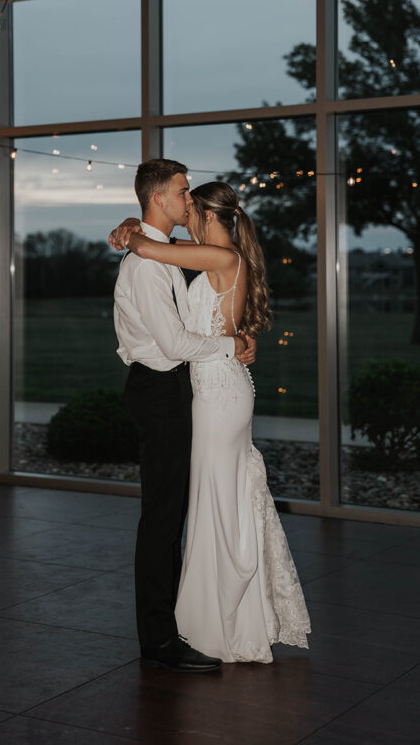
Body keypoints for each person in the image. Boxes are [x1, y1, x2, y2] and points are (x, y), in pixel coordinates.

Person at [111, 177, 311, 664]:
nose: (183, 210)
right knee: (212, 502)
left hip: (217, 392)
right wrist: (134, 229)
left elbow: (153, 251)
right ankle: (218, 617)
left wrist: (132, 234)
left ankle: (218, 621)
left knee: (216, 504)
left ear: (203, 214)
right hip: (211, 386)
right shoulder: (213, 255)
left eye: (189, 204)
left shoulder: (223, 259)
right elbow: (160, 250)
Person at [112, 159, 256, 674]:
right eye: (181, 191)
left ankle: (177, 623)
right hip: (161, 388)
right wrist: (230, 343)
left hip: (177, 388)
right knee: (162, 518)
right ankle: (158, 638)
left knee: (172, 513)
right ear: (158, 199)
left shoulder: (162, 252)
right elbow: (173, 344)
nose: (188, 199)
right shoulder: (149, 262)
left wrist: (132, 232)